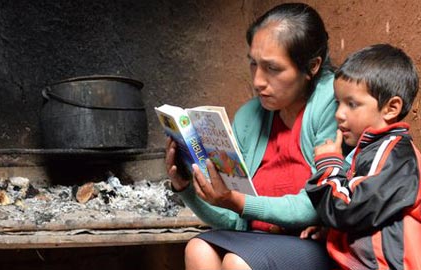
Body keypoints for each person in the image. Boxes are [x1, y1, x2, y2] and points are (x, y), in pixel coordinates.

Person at [165, 3, 338, 269]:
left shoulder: (331, 102)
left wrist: (241, 202)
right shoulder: (249, 116)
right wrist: (186, 188)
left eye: (273, 68)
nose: (258, 81)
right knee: (198, 248)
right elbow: (234, 218)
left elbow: (321, 202)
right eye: (254, 64)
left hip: (316, 241)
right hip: (259, 238)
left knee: (238, 262)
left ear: (312, 66)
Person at [304, 44, 421, 269]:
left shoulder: (393, 154)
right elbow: (369, 213)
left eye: (352, 104)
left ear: (391, 108)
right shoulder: (376, 149)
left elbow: (347, 209)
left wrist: (329, 165)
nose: (339, 114)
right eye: (338, 103)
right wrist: (333, 231)